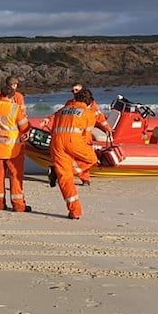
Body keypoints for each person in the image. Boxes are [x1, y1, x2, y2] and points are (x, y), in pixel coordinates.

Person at [42, 82, 112, 187]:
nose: (74, 92)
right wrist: (48, 119)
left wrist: (108, 129)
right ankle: (65, 173)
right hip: (75, 137)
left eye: (76, 90)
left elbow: (100, 118)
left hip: (74, 137)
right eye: (73, 90)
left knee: (80, 158)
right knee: (87, 158)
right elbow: (61, 115)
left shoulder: (92, 105)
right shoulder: (71, 103)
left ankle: (84, 178)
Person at [49, 88, 99, 219]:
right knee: (92, 159)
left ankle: (75, 211)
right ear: (88, 101)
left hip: (56, 142)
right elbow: (86, 136)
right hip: (73, 141)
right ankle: (70, 170)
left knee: (65, 179)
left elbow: (54, 128)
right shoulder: (88, 113)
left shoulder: (61, 110)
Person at [0, 84, 32, 212]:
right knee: (15, 177)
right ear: (13, 97)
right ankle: (18, 205)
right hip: (12, 148)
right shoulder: (14, 108)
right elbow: (24, 127)